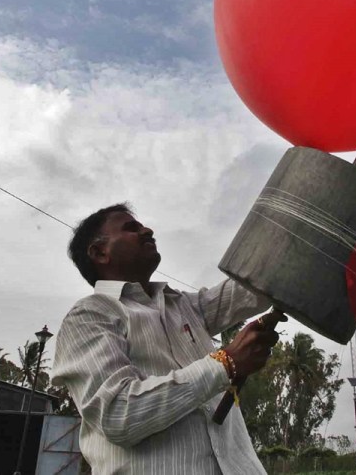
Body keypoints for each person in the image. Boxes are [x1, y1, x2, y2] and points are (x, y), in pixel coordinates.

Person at [50, 203, 283, 474]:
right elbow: (118, 414)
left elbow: (258, 286)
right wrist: (226, 363)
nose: (147, 230)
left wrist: (299, 228)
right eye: (130, 228)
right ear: (100, 252)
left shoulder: (185, 306)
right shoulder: (90, 316)